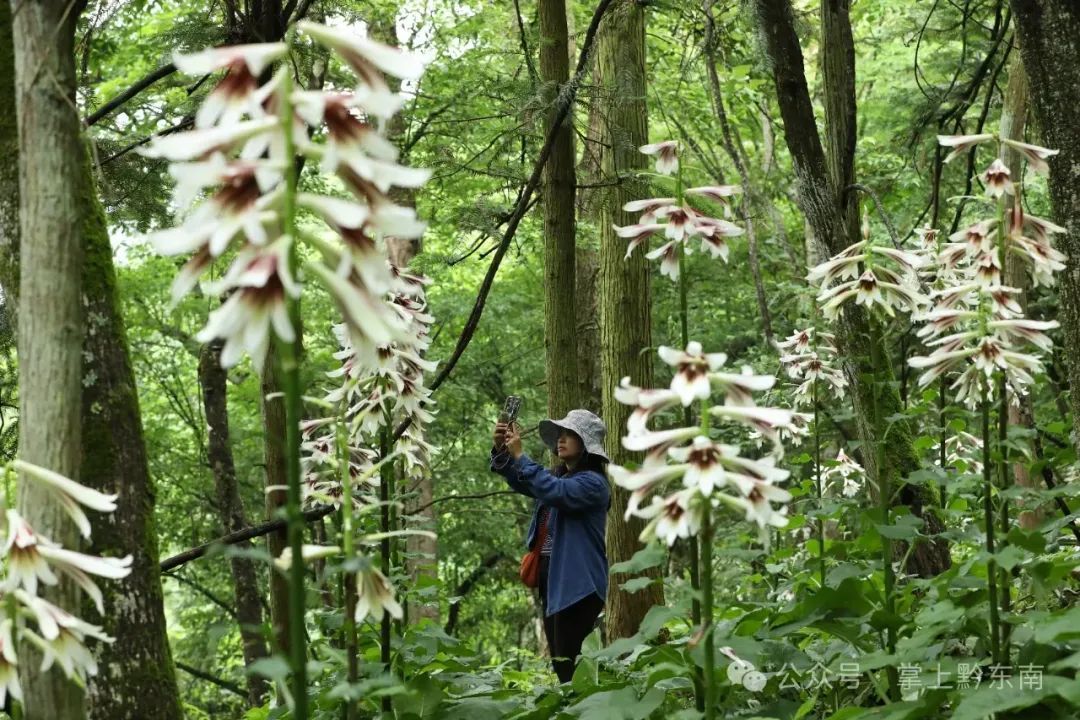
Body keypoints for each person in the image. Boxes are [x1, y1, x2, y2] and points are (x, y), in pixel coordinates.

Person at [490, 408, 610, 683]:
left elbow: (553, 491)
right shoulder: (558, 478)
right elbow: (528, 481)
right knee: (560, 661)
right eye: (560, 434)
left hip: (578, 583)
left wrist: (520, 455)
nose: (561, 439)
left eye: (570, 434)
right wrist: (502, 450)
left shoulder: (593, 484)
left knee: (571, 662)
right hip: (553, 578)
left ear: (586, 444)